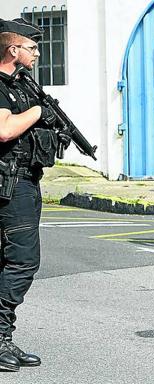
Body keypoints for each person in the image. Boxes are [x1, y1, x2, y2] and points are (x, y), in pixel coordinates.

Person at [0, 18, 58, 371]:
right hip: (11, 184)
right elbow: (4, 130)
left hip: (24, 180)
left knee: (7, 262)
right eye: (32, 47)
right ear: (13, 49)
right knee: (22, 262)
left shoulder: (22, 85)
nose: (37, 53)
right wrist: (37, 112)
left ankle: (4, 336)